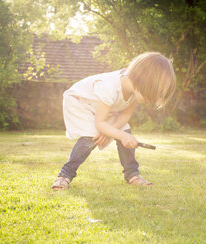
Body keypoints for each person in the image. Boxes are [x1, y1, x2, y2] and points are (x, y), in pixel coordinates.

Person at [52, 52, 176, 190]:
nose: (151, 100)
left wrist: (114, 132)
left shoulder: (134, 91)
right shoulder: (109, 87)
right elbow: (100, 123)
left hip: (100, 109)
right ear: (143, 80)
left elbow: (124, 117)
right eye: (152, 94)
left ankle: (132, 174)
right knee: (91, 137)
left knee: (125, 130)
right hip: (79, 102)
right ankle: (64, 175)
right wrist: (116, 134)